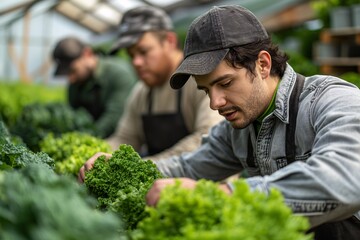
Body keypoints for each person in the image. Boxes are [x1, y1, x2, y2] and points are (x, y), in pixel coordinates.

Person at [79, 5, 360, 240]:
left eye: (225, 83)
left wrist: (226, 193)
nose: (215, 103)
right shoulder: (236, 131)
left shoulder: (331, 100)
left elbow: (348, 177)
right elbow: (187, 166)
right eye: (206, 90)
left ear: (262, 64)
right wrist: (123, 169)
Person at [103, 6, 223, 159]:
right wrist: (99, 154)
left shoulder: (201, 81)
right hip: (160, 178)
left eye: (143, 51)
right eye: (131, 55)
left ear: (169, 41)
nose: (136, 62)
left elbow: (209, 139)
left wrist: (147, 166)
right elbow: (125, 138)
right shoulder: (141, 92)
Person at [52, 36, 137, 138]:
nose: (71, 79)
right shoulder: (77, 81)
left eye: (73, 70)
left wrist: (83, 139)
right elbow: (73, 114)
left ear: (87, 54)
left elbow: (113, 118)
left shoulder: (119, 74)